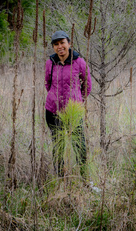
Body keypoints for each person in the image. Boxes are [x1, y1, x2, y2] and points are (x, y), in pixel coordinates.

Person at [44, 30, 91, 177]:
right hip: (53, 111)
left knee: (80, 146)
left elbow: (87, 85)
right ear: (53, 47)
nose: (60, 47)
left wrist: (77, 100)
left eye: (62, 43)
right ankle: (61, 178)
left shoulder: (79, 62)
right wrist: (54, 98)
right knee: (58, 145)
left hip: (73, 112)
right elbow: (48, 83)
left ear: (69, 43)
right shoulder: (50, 63)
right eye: (56, 44)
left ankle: (84, 179)